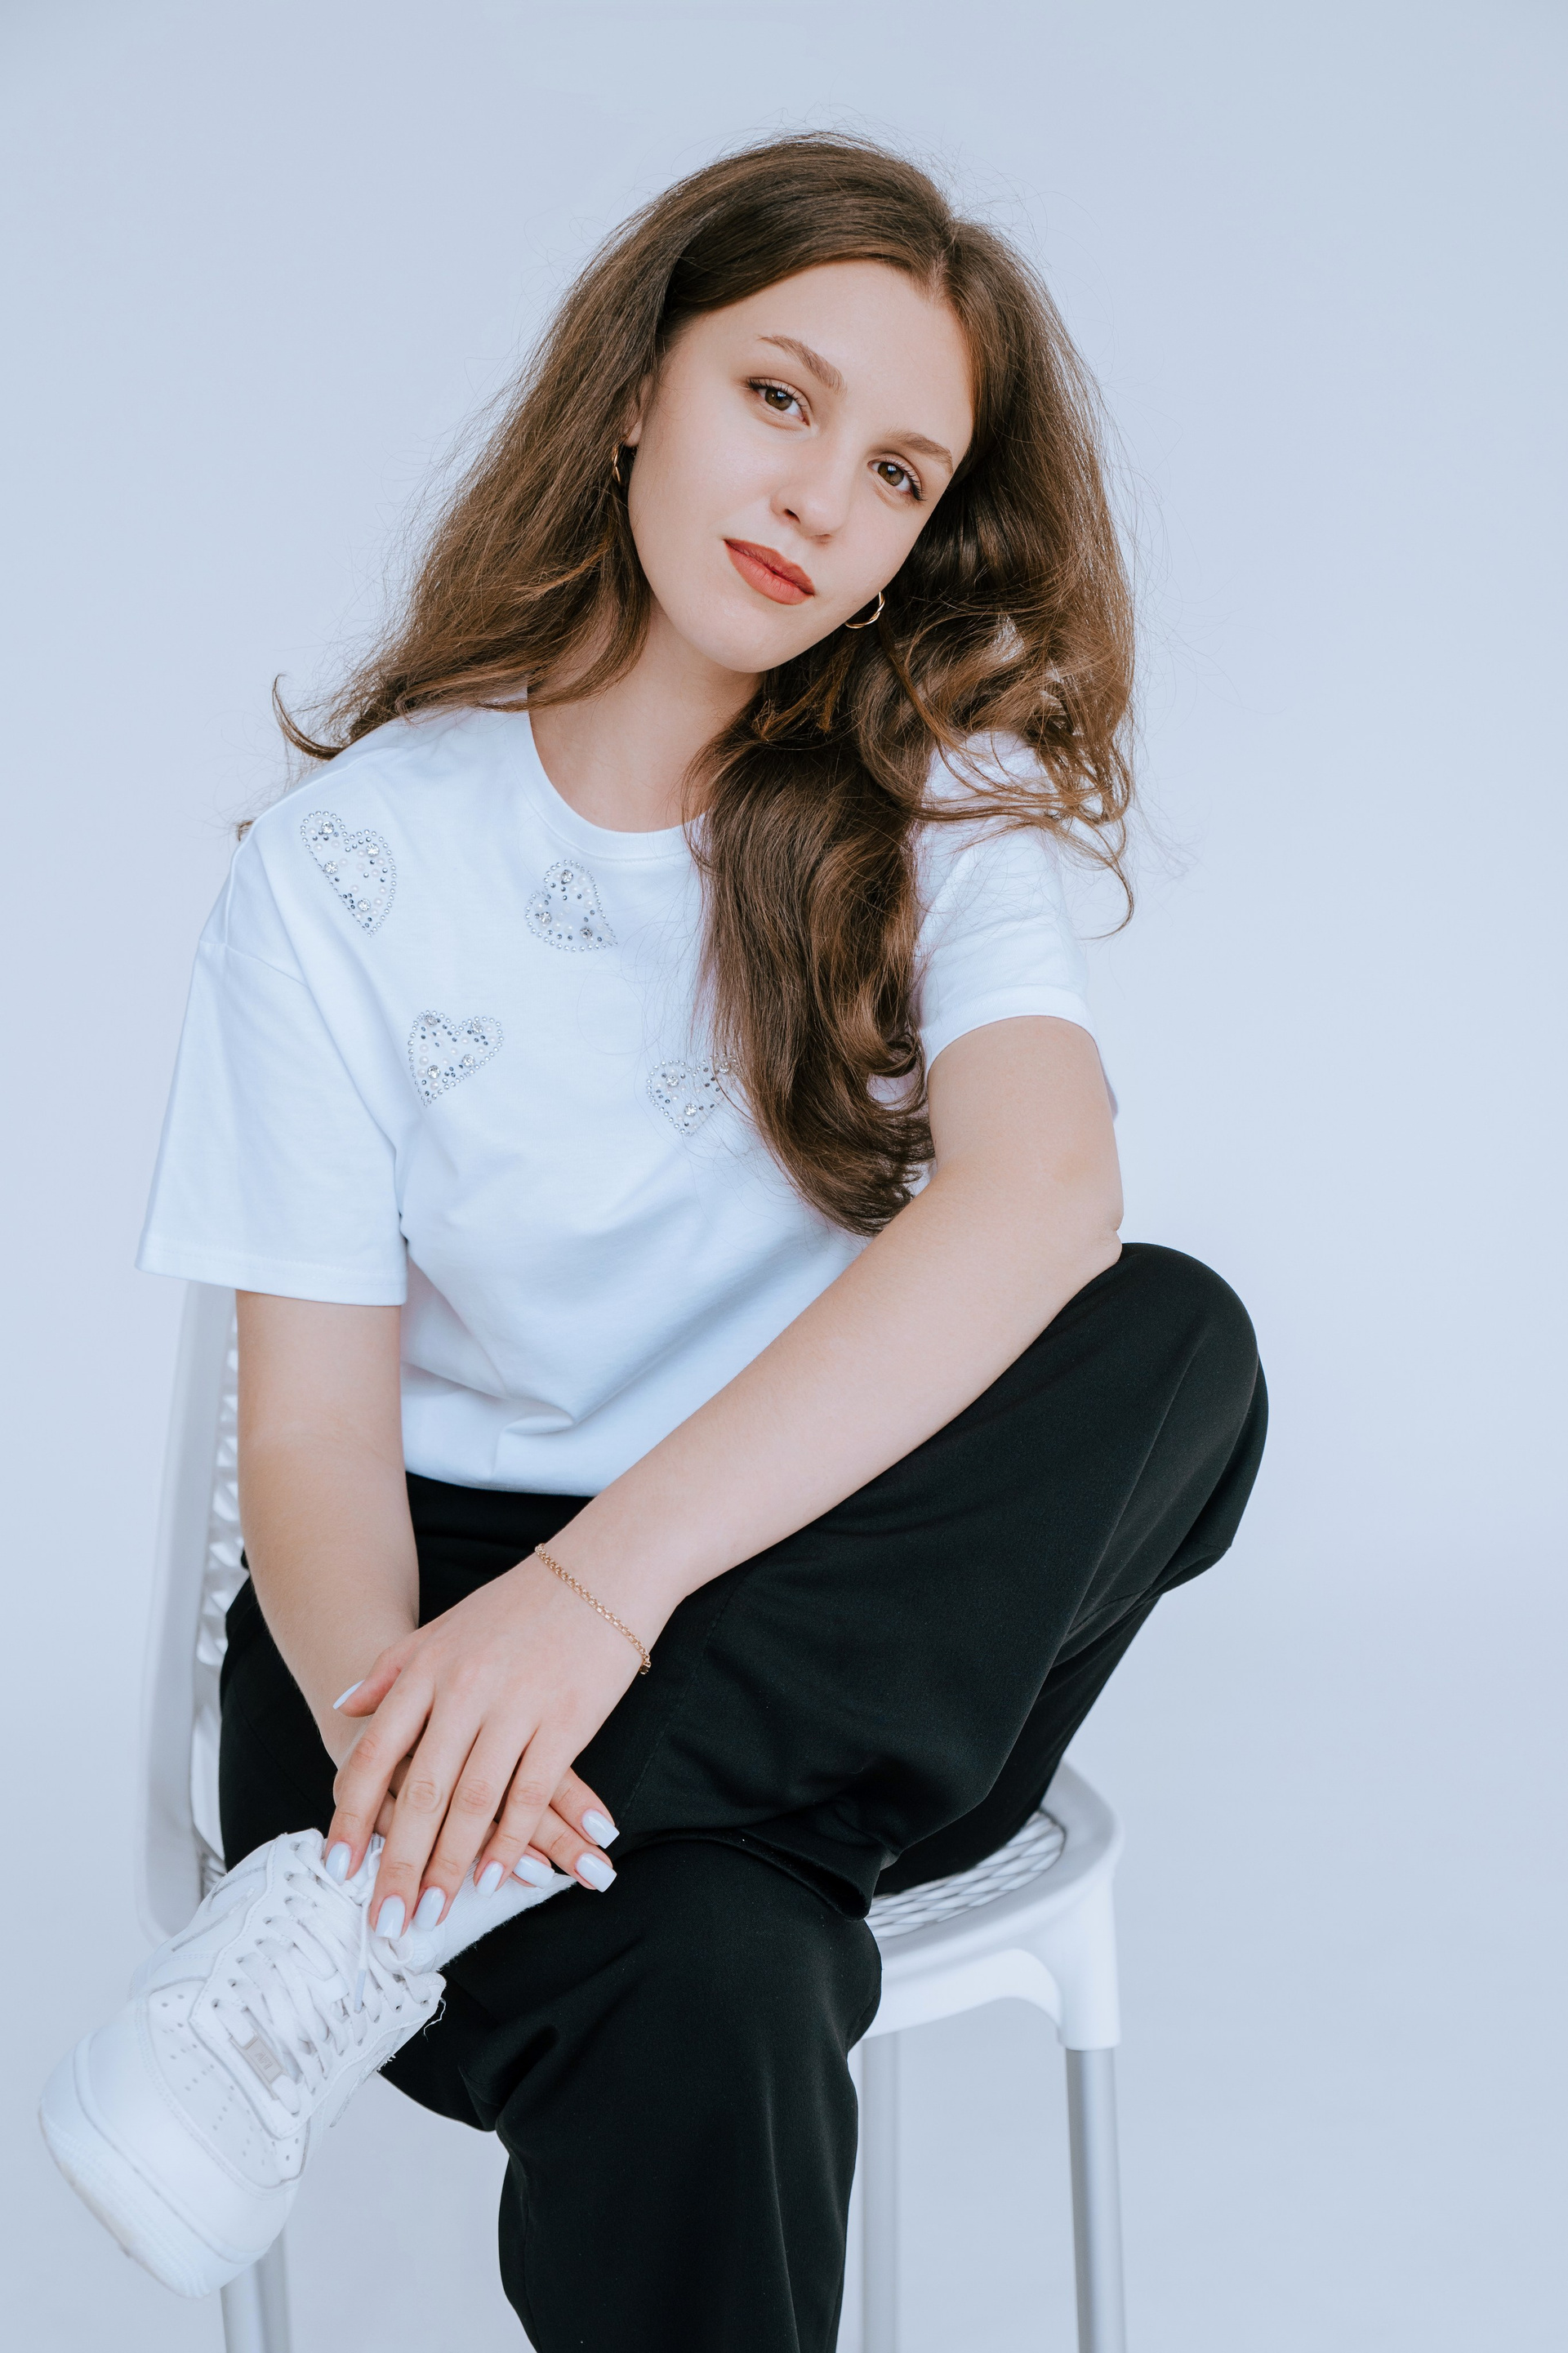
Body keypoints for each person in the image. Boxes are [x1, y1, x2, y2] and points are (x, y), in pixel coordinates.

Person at [41, 134, 1266, 2351]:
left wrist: (607, 1600)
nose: (818, 499)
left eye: (896, 472)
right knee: (723, 1971)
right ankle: (397, 1864)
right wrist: (426, 1724)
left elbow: (1047, 1199)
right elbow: (304, 1445)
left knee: (1176, 1345)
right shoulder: (343, 870)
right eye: (777, 397)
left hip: (824, 1572)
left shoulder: (934, 809)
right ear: (636, 391)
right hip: (406, 1652)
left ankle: (353, 1930)